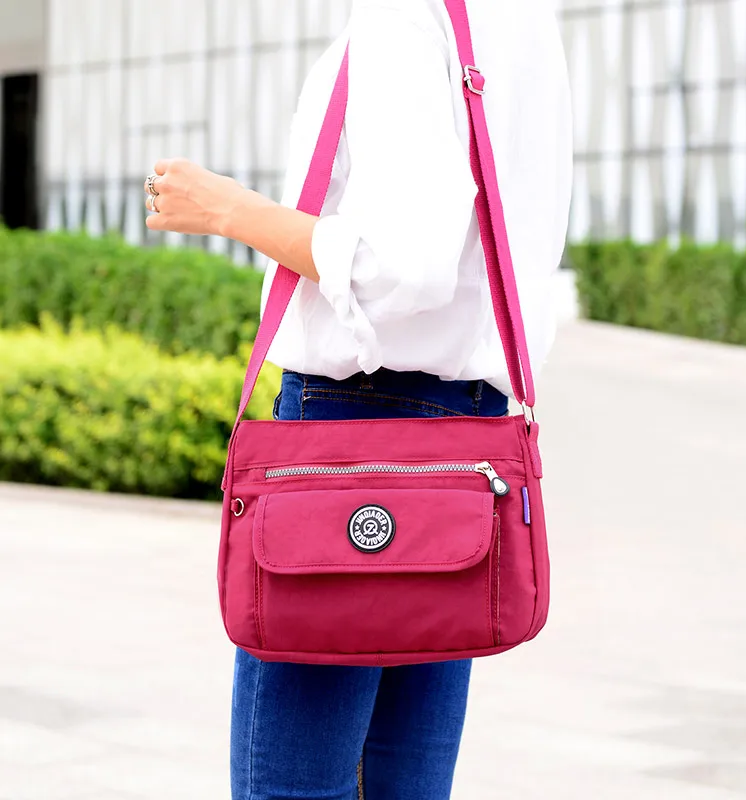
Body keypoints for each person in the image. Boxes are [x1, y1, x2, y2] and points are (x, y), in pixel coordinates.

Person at [143, 0, 572, 796]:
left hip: (350, 432)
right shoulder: (521, 19)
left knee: (291, 785)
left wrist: (230, 209)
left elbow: (403, 267)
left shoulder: (401, 17)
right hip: (465, 446)